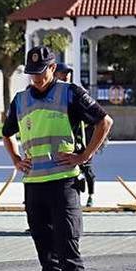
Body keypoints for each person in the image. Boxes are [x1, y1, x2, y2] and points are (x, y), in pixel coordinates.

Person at [1, 46, 113, 271]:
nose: (36, 78)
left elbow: (104, 121)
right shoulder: (20, 100)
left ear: (53, 68)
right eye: (31, 74)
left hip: (64, 184)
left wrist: (84, 155)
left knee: (68, 250)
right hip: (34, 187)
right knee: (46, 254)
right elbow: (7, 133)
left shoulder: (70, 93)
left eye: (41, 73)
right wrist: (17, 160)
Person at [55, 63, 98, 207]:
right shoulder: (53, 95)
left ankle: (91, 195)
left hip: (79, 140)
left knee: (87, 169)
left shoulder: (76, 93)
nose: (66, 75)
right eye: (63, 72)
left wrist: (91, 141)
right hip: (61, 142)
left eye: (68, 72)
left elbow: (99, 120)